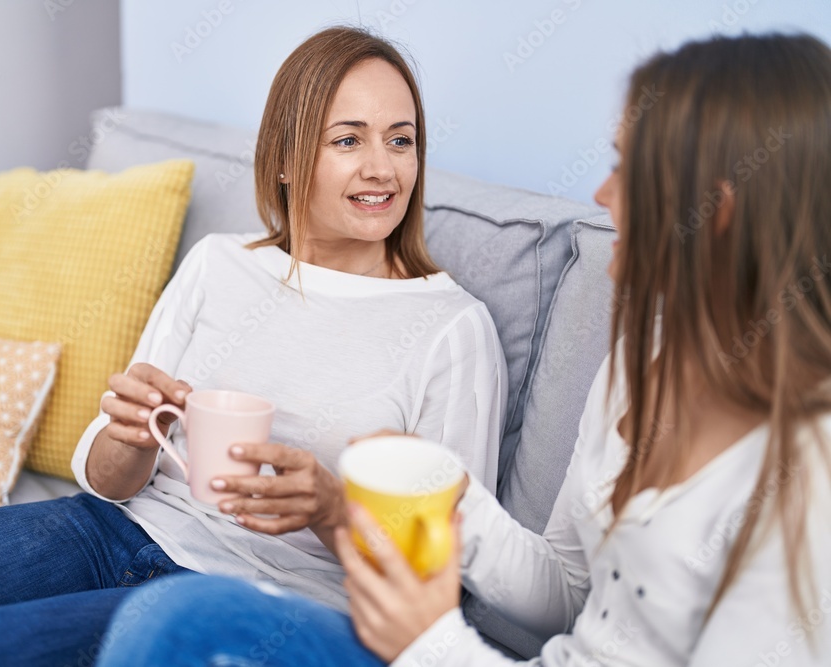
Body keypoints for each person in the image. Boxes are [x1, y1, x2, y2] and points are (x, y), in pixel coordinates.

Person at [93, 32, 831, 666]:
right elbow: (565, 593)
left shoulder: (804, 472)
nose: (600, 196)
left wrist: (431, 638)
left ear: (720, 211)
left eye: (625, 168)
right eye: (348, 138)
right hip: (150, 533)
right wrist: (448, 494)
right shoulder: (637, 364)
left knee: (171, 621)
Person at [0, 27, 507, 667]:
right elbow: (107, 478)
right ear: (283, 159)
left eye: (400, 139)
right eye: (348, 140)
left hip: (247, 599)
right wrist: (129, 433)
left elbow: (436, 590)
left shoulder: (450, 328)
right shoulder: (219, 265)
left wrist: (333, 512)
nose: (381, 168)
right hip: (108, 527)